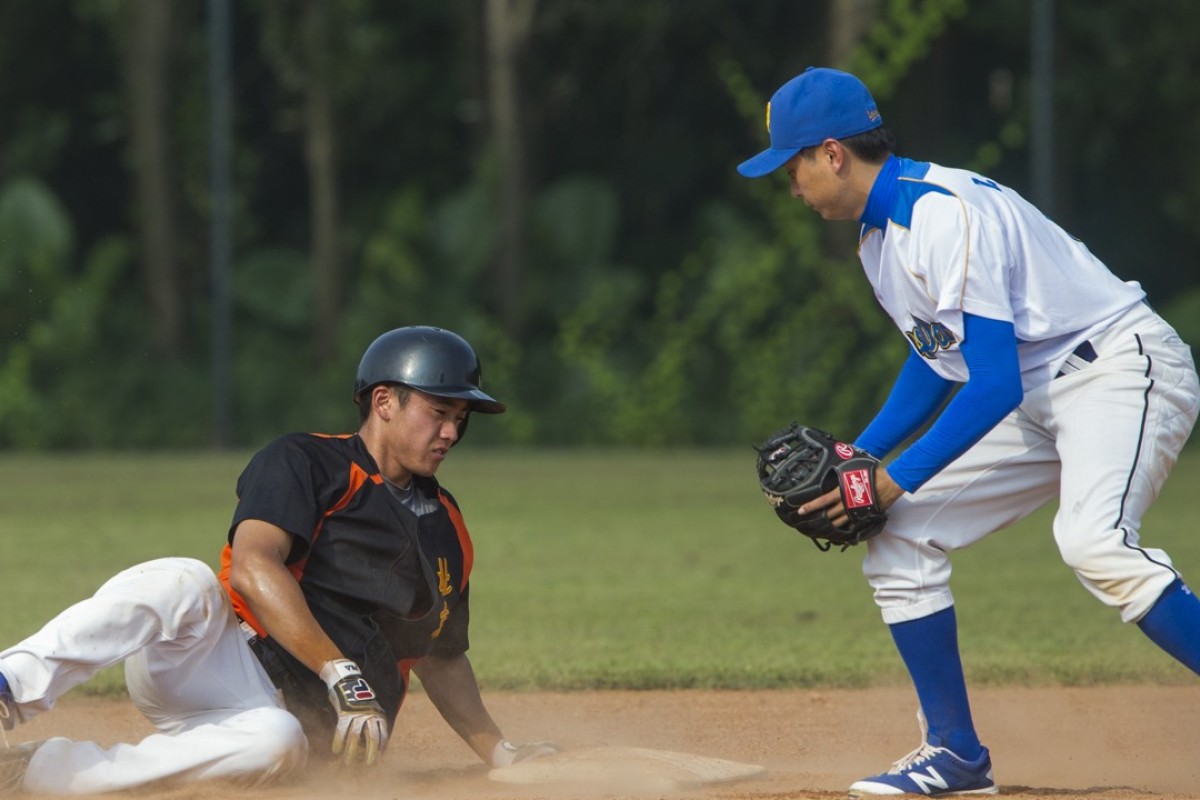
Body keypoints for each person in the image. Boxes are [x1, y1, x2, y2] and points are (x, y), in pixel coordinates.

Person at [738, 67, 1200, 796]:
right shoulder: (878, 238)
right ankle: (955, 754)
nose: (791, 186)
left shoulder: (941, 213)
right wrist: (861, 456)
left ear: (832, 154)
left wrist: (890, 478)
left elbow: (991, 384)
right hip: (1042, 393)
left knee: (1093, 541)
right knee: (897, 536)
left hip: (1116, 365)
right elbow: (937, 362)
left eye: (792, 166)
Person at [0, 325, 555, 795]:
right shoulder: (306, 461)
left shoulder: (449, 530)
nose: (452, 431)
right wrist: (340, 671)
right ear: (385, 401)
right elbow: (253, 564)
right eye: (439, 412)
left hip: (296, 724)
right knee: (183, 580)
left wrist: (498, 751)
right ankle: (8, 686)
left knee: (276, 740)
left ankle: (36, 771)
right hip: (217, 657)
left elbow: (442, 656)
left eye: (461, 417)